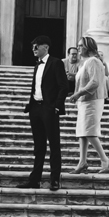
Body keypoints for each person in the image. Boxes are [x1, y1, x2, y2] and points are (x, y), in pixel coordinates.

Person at [19, 35, 70, 190]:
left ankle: (54, 180)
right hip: (35, 108)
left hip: (49, 108)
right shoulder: (37, 65)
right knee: (38, 146)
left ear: (46, 47)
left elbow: (64, 86)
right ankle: (34, 180)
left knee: (54, 145)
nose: (33, 49)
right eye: (32, 46)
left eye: (36, 46)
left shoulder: (56, 63)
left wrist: (57, 106)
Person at [73, 35, 109, 173]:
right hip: (85, 101)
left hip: (92, 101)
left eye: (80, 45)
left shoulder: (93, 61)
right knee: (82, 132)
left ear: (88, 47)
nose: (78, 48)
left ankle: (105, 159)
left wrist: (78, 94)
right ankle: (82, 162)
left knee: (89, 131)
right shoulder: (87, 62)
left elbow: (94, 82)